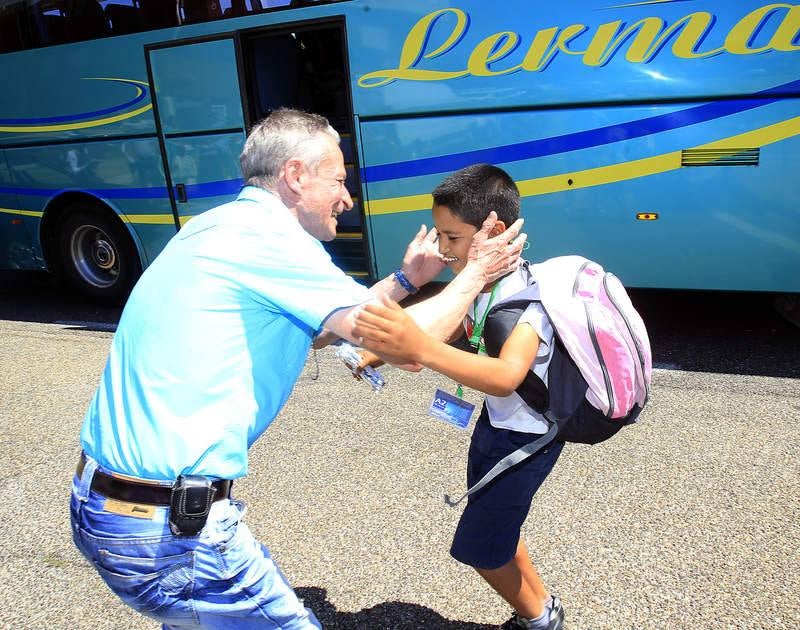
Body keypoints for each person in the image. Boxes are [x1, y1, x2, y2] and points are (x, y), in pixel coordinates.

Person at [69, 110, 526, 629]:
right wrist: (476, 274)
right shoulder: (271, 241)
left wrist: (405, 280)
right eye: (338, 180)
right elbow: (405, 348)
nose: (347, 198)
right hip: (164, 531)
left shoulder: (217, 227)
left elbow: (321, 329)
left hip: (108, 506)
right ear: (294, 175)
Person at [353, 164, 566, 630]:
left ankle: (539, 619)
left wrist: (420, 349)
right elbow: (454, 331)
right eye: (441, 236)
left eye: (453, 237)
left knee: (479, 547)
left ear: (494, 230)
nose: (443, 249)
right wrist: (379, 355)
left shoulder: (527, 297)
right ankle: (541, 609)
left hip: (527, 440)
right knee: (496, 528)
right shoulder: (480, 285)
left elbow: (506, 377)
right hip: (496, 428)